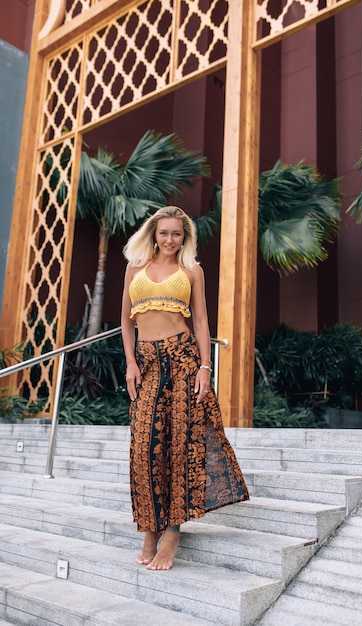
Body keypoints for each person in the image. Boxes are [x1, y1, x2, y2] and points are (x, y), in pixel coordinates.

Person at [121, 205, 249, 571]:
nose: (170, 240)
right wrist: (130, 363)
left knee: (181, 446)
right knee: (144, 448)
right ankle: (149, 528)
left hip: (182, 359)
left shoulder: (192, 270)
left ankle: (172, 532)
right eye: (164, 233)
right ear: (153, 233)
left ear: (185, 236)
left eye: (177, 234)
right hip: (145, 363)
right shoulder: (135, 268)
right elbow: (125, 321)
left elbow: (203, 320)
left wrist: (205, 366)